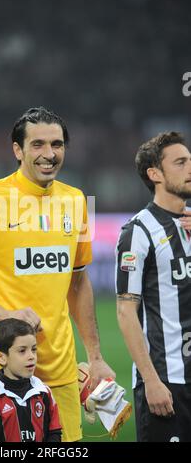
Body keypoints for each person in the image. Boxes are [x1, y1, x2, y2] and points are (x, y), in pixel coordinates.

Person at [0, 106, 115, 441]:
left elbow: (78, 281)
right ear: (17, 150)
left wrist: (95, 357)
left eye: (57, 144)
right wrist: (5, 317)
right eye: (38, 145)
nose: (49, 154)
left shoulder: (76, 201)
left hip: (60, 372)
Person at [116, 131, 191, 442]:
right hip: (167, 384)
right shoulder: (138, 232)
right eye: (181, 162)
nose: (190, 168)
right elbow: (125, 311)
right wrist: (151, 381)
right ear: (155, 174)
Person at [0, 318, 61, 442]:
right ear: (1, 358)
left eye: (33, 349)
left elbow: (54, 433)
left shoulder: (44, 392)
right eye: (22, 351)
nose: (31, 356)